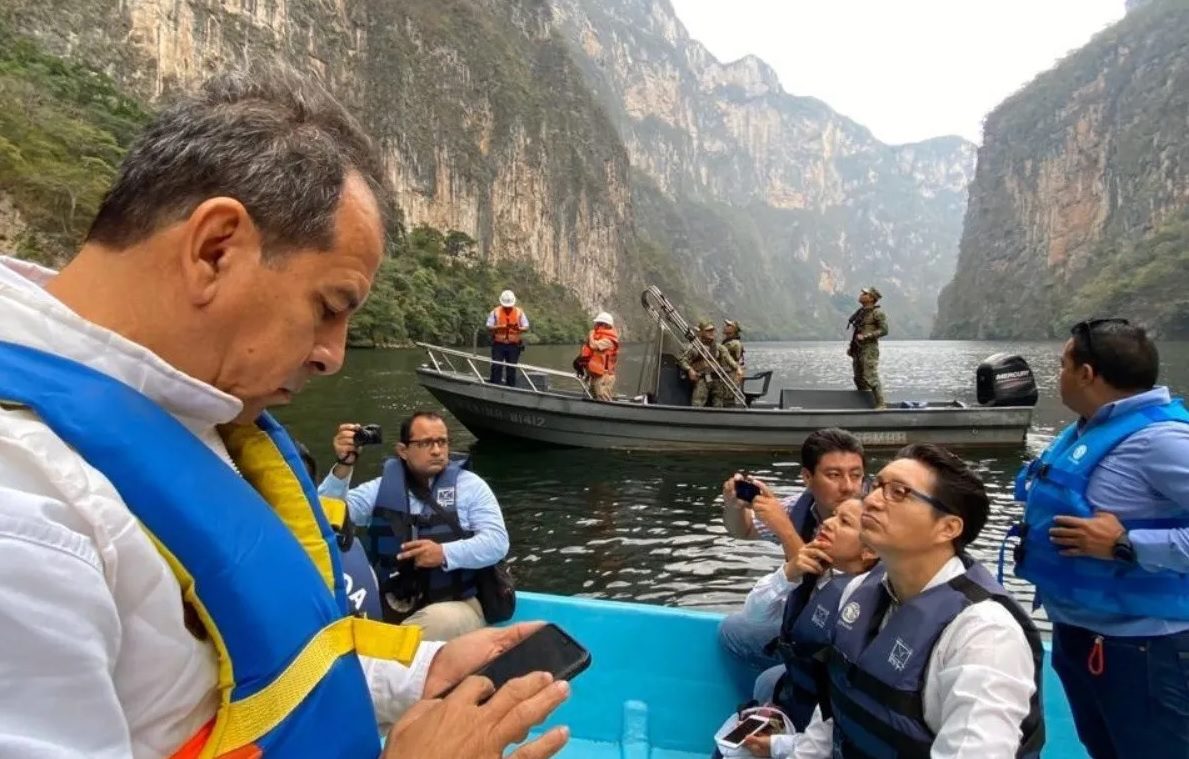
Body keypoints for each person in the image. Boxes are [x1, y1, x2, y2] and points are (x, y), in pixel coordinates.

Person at [0, 65, 569, 758]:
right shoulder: (25, 515)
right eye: (329, 309)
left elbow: (241, 676)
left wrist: (419, 672)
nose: (333, 355)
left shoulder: (194, 414)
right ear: (215, 250)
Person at [791, 444, 1044, 758]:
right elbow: (832, 717)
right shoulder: (859, 590)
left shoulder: (984, 635)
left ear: (947, 528)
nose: (870, 500)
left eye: (898, 492)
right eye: (877, 486)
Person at [1014, 318, 1189, 759]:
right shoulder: (1088, 429)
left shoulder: (1162, 441)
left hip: (1145, 650)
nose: (1059, 376)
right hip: (1082, 635)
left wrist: (1125, 543)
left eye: (1062, 365)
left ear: (1087, 374)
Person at [321, 412, 510, 641]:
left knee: (435, 623)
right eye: (425, 443)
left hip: (456, 605)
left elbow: (497, 543)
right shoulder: (380, 489)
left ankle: (385, 653)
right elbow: (324, 519)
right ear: (403, 450)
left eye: (442, 442)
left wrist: (443, 553)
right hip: (392, 602)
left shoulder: (471, 487)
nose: (437, 450)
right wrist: (344, 465)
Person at [733, 497, 879, 750]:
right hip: (797, 691)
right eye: (832, 515)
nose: (829, 523)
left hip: (824, 723)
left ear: (869, 551)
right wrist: (787, 574)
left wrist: (779, 746)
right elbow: (754, 617)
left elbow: (840, 717)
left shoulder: (867, 606)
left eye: (844, 522)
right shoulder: (815, 571)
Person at [718, 429, 866, 674]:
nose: (848, 487)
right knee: (732, 630)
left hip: (845, 636)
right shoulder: (799, 506)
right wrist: (734, 507)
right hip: (807, 619)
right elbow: (743, 531)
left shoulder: (873, 518)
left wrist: (784, 529)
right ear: (807, 478)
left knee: (769, 679)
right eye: (834, 475)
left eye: (856, 475)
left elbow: (821, 585)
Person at [678, 321, 739, 407]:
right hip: (702, 378)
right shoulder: (695, 348)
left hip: (717, 379)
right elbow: (682, 360)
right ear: (701, 332)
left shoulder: (718, 347)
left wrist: (738, 368)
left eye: (712, 330)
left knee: (718, 403)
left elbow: (729, 359)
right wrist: (689, 370)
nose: (711, 333)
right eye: (708, 331)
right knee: (697, 403)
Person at [845, 286, 888, 409]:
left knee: (871, 376)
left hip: (869, 349)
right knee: (858, 378)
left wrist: (868, 336)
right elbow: (857, 331)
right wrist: (851, 347)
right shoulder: (861, 312)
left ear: (871, 298)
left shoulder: (877, 313)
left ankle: (881, 404)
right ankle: (866, 403)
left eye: (865, 293)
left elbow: (884, 330)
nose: (861, 295)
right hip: (858, 349)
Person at [487, 289, 529, 386]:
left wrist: (519, 328)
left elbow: (526, 326)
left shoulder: (519, 312)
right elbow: (489, 326)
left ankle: (511, 388)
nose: (507, 308)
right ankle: (495, 386)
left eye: (509, 306)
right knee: (496, 366)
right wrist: (499, 327)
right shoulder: (495, 312)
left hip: (513, 346)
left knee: (511, 368)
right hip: (498, 345)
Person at [575, 311, 620, 401]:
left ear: (604, 325)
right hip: (596, 375)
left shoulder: (609, 340)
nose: (595, 326)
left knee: (603, 398)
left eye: (598, 324)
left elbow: (593, 346)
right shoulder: (599, 337)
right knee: (593, 397)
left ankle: (607, 413)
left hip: (605, 377)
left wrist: (591, 335)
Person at [721, 320, 746, 408]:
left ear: (734, 329)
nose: (725, 326)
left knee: (728, 398)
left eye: (728, 325)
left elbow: (720, 353)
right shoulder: (728, 341)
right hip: (729, 373)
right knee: (726, 397)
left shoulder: (733, 344)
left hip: (731, 374)